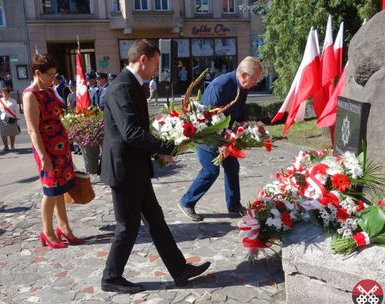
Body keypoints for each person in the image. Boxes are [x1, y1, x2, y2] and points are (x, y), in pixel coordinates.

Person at [100, 39, 210, 293]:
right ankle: (110, 277)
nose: (156, 70)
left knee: (156, 221)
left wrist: (161, 149)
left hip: (135, 168)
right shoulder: (121, 88)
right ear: (143, 60)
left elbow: (137, 130)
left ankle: (179, 269)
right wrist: (168, 147)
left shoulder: (133, 85)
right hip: (124, 170)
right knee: (127, 227)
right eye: (155, 64)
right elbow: (130, 132)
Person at [178, 56, 264, 222]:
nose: (256, 84)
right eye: (255, 80)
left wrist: (245, 128)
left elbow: (238, 112)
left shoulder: (242, 86)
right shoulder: (221, 85)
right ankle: (186, 201)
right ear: (244, 75)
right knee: (211, 170)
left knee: (232, 167)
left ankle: (234, 206)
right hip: (205, 134)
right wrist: (219, 145)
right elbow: (207, 119)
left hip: (226, 134)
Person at [22, 53, 83, 249]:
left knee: (60, 189)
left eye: (55, 74)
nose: (52, 79)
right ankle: (47, 231)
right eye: (49, 75)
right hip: (47, 150)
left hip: (60, 149)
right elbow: (32, 129)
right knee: (50, 191)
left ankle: (64, 228)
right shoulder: (30, 95)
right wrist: (43, 156)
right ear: (37, 73)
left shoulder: (49, 91)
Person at [0, 86, 21, 152]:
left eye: (6, 93)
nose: (4, 94)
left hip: (12, 119)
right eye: (3, 93)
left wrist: (18, 120)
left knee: (12, 133)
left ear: (9, 93)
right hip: (3, 119)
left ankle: (12, 146)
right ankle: (6, 146)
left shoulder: (13, 101)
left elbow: (16, 110)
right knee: (3, 134)